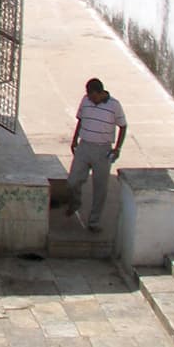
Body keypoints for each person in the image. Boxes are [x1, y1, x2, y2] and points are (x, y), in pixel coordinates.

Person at [67, 78, 128, 232]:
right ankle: (75, 203)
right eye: (89, 96)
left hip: (103, 150)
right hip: (84, 146)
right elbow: (80, 121)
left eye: (93, 96)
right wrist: (74, 140)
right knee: (73, 180)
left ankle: (93, 222)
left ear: (101, 93)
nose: (91, 99)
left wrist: (117, 148)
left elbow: (123, 126)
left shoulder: (114, 105)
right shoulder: (85, 101)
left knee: (100, 188)